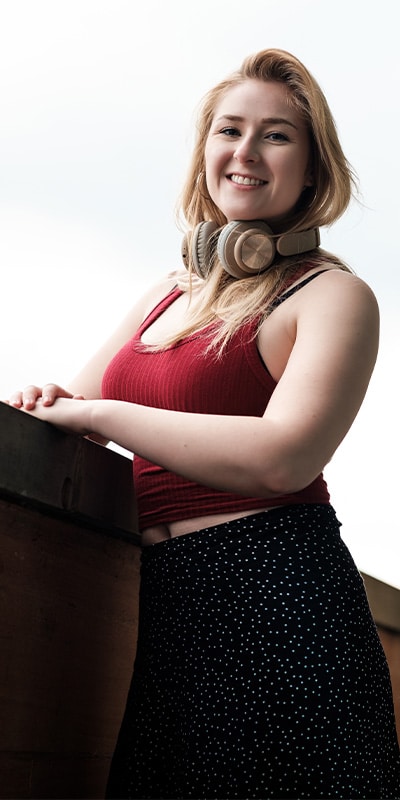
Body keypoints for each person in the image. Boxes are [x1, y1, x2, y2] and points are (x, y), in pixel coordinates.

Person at [6, 48, 400, 799]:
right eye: (229, 130)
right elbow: (76, 409)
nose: (245, 153)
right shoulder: (167, 291)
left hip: (280, 602)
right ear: (205, 151)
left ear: (314, 168)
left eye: (276, 135)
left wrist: (99, 411)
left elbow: (284, 458)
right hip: (173, 611)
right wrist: (51, 403)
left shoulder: (334, 296)